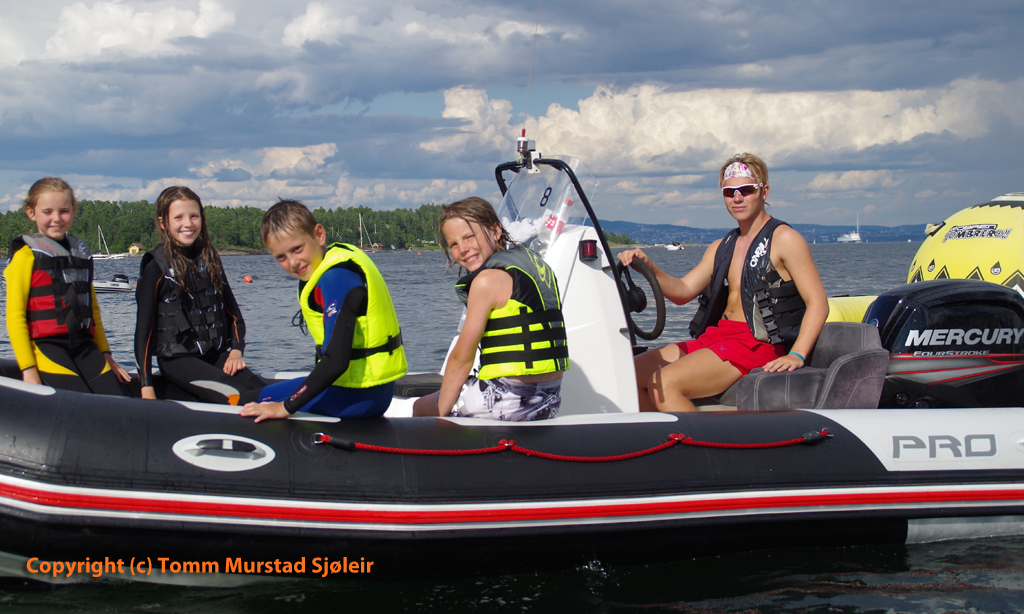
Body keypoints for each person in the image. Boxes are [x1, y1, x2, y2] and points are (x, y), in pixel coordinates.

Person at [618, 154, 828, 412]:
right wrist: (649, 267)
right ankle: (665, 433)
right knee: (624, 376)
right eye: (729, 192)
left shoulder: (785, 239)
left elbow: (817, 302)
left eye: (746, 190)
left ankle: (697, 438)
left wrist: (797, 354)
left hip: (757, 345)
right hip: (717, 337)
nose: (737, 198)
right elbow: (683, 292)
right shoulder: (722, 246)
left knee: (664, 383)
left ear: (764, 192)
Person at [239, 200, 407, 422]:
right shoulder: (336, 263)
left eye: (297, 249)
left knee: (243, 402)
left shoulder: (336, 279)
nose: (293, 262)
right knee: (257, 392)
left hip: (358, 396)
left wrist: (285, 407)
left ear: (319, 235)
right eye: (281, 257)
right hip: (372, 390)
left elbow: (336, 361)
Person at [412, 197, 568, 421]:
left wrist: (440, 417)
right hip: (549, 398)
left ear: (496, 231)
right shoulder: (537, 266)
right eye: (453, 244)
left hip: (506, 398)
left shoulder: (486, 281)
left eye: (469, 237)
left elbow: (461, 359)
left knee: (420, 407)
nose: (463, 249)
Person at [134, 186, 264, 404]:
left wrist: (236, 351)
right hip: (178, 360)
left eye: (194, 216)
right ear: (163, 223)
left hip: (216, 355)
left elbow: (234, 314)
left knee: (261, 390)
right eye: (178, 217)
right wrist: (146, 386)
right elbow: (143, 333)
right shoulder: (156, 268)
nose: (188, 223)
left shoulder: (209, 258)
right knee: (237, 395)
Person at [4, 177, 130, 393]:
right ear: (31, 212)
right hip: (47, 347)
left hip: (84, 346)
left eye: (63, 211)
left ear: (73, 210)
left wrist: (106, 354)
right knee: (79, 400)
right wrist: (28, 369)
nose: (56, 218)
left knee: (117, 398)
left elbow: (93, 311)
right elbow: (15, 317)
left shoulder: (80, 253)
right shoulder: (25, 256)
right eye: (47, 212)